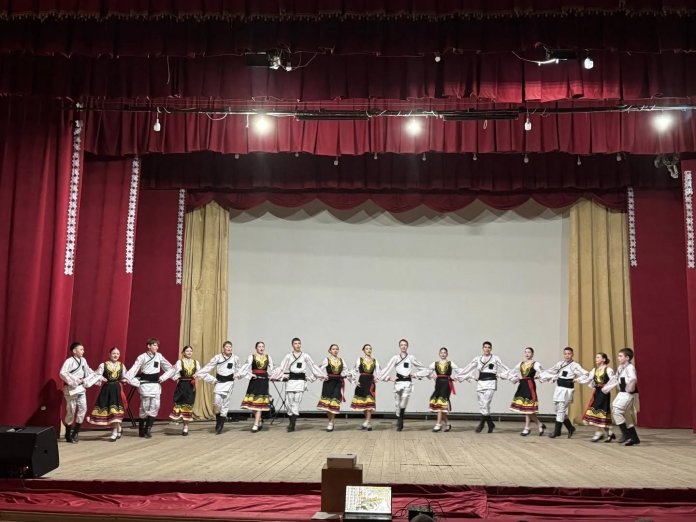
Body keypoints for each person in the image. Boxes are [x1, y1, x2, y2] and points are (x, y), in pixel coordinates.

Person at [272, 338, 325, 432]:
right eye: (295, 343)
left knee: (297, 401)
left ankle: (292, 424)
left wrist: (322, 375)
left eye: (299, 343)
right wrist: (278, 376)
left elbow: (313, 366)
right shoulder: (288, 356)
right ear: (292, 345)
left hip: (300, 381)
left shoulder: (305, 356)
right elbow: (282, 368)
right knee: (289, 403)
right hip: (291, 381)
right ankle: (291, 422)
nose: (297, 345)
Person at [124, 337, 173, 439]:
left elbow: (169, 368)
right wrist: (127, 378)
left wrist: (163, 377)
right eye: (154, 345)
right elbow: (134, 368)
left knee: (155, 406)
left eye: (157, 345)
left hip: (155, 384)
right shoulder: (142, 357)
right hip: (145, 384)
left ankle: (148, 429)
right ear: (149, 346)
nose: (156, 347)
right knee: (145, 407)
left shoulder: (159, 356)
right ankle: (141, 429)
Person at [460, 341, 510, 433]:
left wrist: (506, 375)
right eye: (485, 347)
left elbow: (504, 368)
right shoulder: (478, 359)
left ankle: (482, 424)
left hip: (491, 382)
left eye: (488, 347)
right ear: (482, 348)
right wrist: (460, 376)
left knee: (486, 403)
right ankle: (490, 424)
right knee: (481, 404)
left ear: (491, 349)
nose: (487, 349)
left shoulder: (495, 358)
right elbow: (468, 368)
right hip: (481, 382)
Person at [540, 346, 589, 439]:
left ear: (572, 355)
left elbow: (586, 373)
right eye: (565, 354)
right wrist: (541, 376)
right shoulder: (560, 364)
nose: (567, 355)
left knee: (561, 409)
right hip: (559, 388)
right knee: (557, 409)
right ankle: (570, 428)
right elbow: (551, 371)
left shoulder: (575, 365)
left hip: (567, 390)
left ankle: (557, 431)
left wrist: (578, 379)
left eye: (569, 354)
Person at [378, 339, 427, 431]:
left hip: (407, 382)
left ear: (407, 346)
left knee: (404, 398)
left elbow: (423, 368)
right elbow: (387, 368)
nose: (403, 346)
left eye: (405, 345)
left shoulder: (411, 357)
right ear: (399, 346)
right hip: (398, 382)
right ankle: (399, 417)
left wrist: (416, 374)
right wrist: (388, 378)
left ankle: (401, 418)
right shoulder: (395, 358)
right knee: (397, 403)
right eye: (402, 345)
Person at [195, 341, 240, 435]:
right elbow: (208, 367)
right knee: (216, 403)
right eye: (227, 347)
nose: (229, 348)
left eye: (230, 347)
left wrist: (239, 375)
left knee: (225, 403)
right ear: (223, 348)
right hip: (219, 382)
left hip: (229, 383)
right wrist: (199, 374)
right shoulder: (218, 357)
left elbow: (240, 369)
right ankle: (218, 420)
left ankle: (221, 425)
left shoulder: (235, 358)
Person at [419, 347, 467, 432]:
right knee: (439, 405)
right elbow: (427, 371)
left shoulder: (450, 363)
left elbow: (460, 371)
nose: (443, 354)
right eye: (441, 352)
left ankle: (438, 424)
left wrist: (462, 376)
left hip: (446, 384)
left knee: (441, 404)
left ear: (447, 354)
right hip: (438, 384)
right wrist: (417, 375)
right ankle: (447, 424)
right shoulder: (435, 363)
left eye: (444, 353)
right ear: (439, 354)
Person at [88, 347, 129, 442]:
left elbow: (125, 376)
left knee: (115, 410)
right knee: (109, 409)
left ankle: (114, 431)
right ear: (109, 354)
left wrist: (125, 380)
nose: (116, 355)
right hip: (107, 389)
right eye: (114, 353)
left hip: (117, 389)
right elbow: (97, 375)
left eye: (117, 354)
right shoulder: (103, 365)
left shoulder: (121, 365)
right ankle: (118, 428)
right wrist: (102, 378)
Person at [602, 347, 640, 446]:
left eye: (620, 356)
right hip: (622, 393)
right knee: (626, 415)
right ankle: (634, 438)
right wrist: (606, 388)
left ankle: (625, 433)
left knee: (617, 411)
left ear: (627, 358)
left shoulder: (630, 368)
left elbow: (633, 378)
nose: (618, 358)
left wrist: (629, 388)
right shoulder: (621, 367)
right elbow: (615, 378)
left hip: (628, 393)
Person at [59, 342, 95, 443]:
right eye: (81, 349)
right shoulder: (69, 361)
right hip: (71, 389)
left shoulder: (83, 360)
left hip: (81, 388)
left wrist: (97, 375)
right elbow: (62, 373)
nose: (83, 351)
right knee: (71, 410)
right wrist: (72, 381)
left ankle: (76, 432)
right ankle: (68, 434)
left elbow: (88, 371)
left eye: (83, 349)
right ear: (74, 351)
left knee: (83, 408)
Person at [160, 345, 200, 436]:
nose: (189, 352)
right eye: (187, 351)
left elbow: (201, 372)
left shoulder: (196, 362)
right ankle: (178, 420)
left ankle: (186, 427)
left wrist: (197, 375)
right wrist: (162, 378)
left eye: (190, 351)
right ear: (183, 353)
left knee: (188, 405)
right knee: (180, 404)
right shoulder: (180, 362)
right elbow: (172, 371)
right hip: (182, 385)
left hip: (191, 386)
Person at [507, 347, 546, 436]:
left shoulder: (535, 364)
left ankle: (527, 428)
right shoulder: (521, 363)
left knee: (528, 408)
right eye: (526, 352)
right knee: (527, 408)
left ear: (532, 354)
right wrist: (515, 378)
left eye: (529, 352)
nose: (527, 354)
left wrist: (539, 377)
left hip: (530, 385)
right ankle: (539, 424)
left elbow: (543, 372)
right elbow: (512, 372)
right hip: (523, 385)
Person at [239, 341, 275, 433]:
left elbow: (273, 369)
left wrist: (274, 376)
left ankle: (255, 424)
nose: (261, 348)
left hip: (263, 381)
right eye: (259, 346)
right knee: (252, 404)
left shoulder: (268, 357)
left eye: (262, 346)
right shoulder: (252, 357)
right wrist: (248, 375)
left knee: (259, 404)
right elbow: (244, 368)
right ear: (256, 348)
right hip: (254, 381)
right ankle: (259, 420)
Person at [580, 353, 615, 442]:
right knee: (599, 413)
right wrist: (578, 379)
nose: (596, 359)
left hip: (604, 392)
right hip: (597, 392)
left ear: (604, 359)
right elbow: (589, 378)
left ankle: (598, 433)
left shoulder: (608, 370)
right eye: (596, 357)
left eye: (598, 357)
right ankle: (609, 433)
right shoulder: (595, 370)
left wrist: (606, 389)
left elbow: (613, 380)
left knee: (597, 411)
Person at [316, 344, 352, 432]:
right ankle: (330, 421)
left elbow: (346, 370)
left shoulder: (341, 360)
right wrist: (323, 376)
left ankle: (331, 422)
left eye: (336, 349)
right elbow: (319, 369)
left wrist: (349, 376)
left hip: (338, 383)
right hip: (328, 383)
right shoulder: (327, 360)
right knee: (328, 404)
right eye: (333, 349)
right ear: (330, 350)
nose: (335, 350)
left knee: (334, 402)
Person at [350, 344, 380, 431]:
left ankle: (367, 421)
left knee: (369, 401)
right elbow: (353, 370)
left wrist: (377, 377)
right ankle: (368, 422)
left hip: (370, 382)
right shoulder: (359, 360)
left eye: (370, 349)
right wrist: (354, 381)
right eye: (367, 349)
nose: (369, 350)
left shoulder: (375, 361)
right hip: (362, 381)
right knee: (363, 403)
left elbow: (379, 371)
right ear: (363, 350)